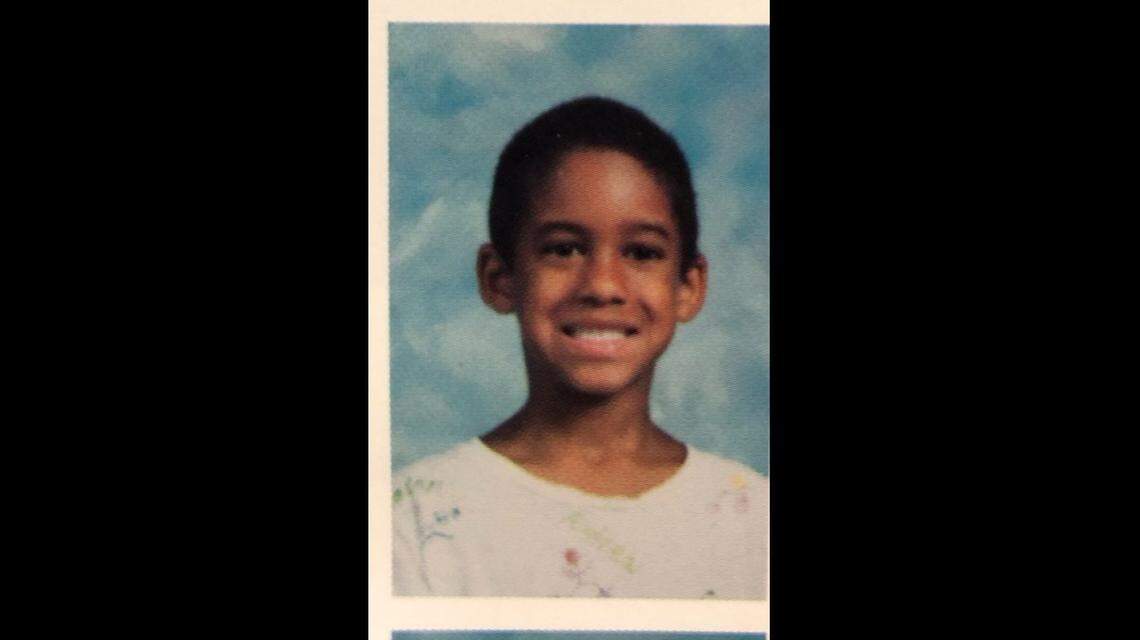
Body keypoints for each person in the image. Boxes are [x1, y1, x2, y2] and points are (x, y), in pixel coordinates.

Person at [392, 96, 768, 599]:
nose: (602, 286)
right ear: (500, 279)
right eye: (563, 248)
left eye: (641, 252)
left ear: (688, 286)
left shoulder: (754, 522)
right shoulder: (409, 524)